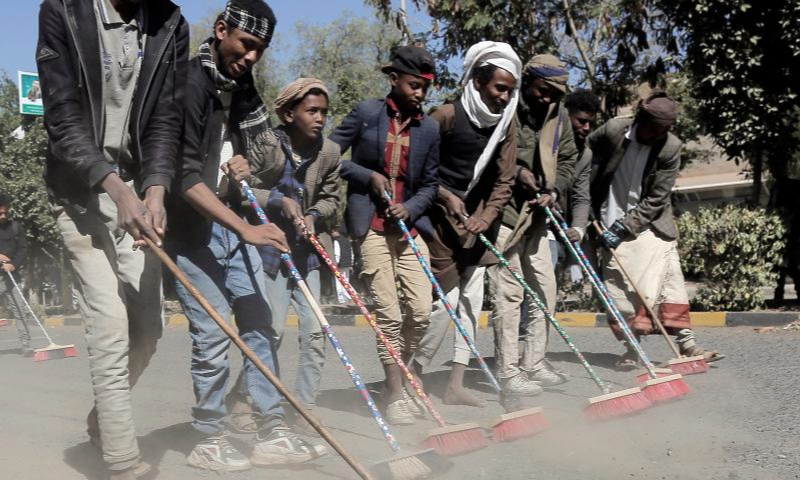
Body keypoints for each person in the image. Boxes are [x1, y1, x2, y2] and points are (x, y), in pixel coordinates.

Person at [166, 2, 327, 471]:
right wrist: (247, 230)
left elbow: (265, 158)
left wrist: (243, 167)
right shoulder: (189, 84)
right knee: (213, 337)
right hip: (189, 227)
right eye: (247, 45)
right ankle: (208, 436)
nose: (253, 57)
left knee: (260, 326)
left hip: (230, 222)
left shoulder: (238, 87)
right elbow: (184, 177)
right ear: (221, 31)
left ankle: (270, 430)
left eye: (261, 50)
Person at [38, 0, 188, 477]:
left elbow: (167, 119)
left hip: (137, 192)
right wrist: (116, 188)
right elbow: (61, 116)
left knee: (148, 328)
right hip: (80, 193)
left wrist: (156, 190)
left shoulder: (170, 23)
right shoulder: (63, 9)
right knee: (109, 325)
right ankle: (122, 460)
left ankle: (105, 418)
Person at [331, 45, 440, 425]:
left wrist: (410, 208)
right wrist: (368, 176)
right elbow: (331, 156)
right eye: (414, 85)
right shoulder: (366, 114)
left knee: (423, 312)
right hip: (371, 229)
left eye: (425, 88)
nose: (420, 94)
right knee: (389, 316)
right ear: (394, 80)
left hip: (408, 228)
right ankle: (395, 394)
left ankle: (401, 375)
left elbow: (429, 184)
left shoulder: (429, 128)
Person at [579, 91, 725, 368]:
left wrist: (625, 226)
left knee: (670, 283)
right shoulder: (613, 130)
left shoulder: (670, 147)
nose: (659, 136)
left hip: (650, 224)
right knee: (620, 291)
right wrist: (582, 201)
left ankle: (687, 344)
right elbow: (582, 151)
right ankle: (632, 351)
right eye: (654, 129)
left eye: (665, 130)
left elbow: (657, 198)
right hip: (605, 221)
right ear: (640, 120)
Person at [413, 41, 520, 407]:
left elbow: (505, 180)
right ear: (476, 81)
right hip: (439, 223)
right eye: (499, 88)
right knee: (444, 302)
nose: (504, 98)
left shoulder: (507, 125)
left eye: (510, 91)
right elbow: (417, 168)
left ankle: (455, 384)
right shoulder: (444, 115)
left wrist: (486, 217)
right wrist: (445, 195)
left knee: (472, 303)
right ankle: (415, 372)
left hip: (478, 224)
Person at [245, 77, 341, 429]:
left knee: (316, 330)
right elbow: (239, 189)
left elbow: (332, 198)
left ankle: (304, 408)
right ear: (288, 113)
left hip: (306, 254)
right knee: (271, 331)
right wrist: (277, 200)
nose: (320, 118)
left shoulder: (329, 152)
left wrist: (315, 216)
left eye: (324, 112)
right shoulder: (266, 143)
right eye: (311, 111)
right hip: (269, 253)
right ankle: (251, 400)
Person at [489, 54, 578, 398]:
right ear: (527, 81)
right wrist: (515, 174)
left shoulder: (560, 118)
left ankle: (533, 363)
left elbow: (568, 159)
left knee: (545, 287)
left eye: (555, 94)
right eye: (543, 91)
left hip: (539, 217)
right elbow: (486, 156)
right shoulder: (505, 109)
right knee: (508, 293)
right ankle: (508, 372)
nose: (547, 99)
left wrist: (555, 190)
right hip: (504, 215)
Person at [0, 196, 33, 356]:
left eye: (5, 213)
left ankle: (26, 343)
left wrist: (13, 264)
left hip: (11, 275)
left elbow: (23, 249)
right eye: (0, 214)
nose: (3, 216)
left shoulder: (15, 227)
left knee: (20, 309)